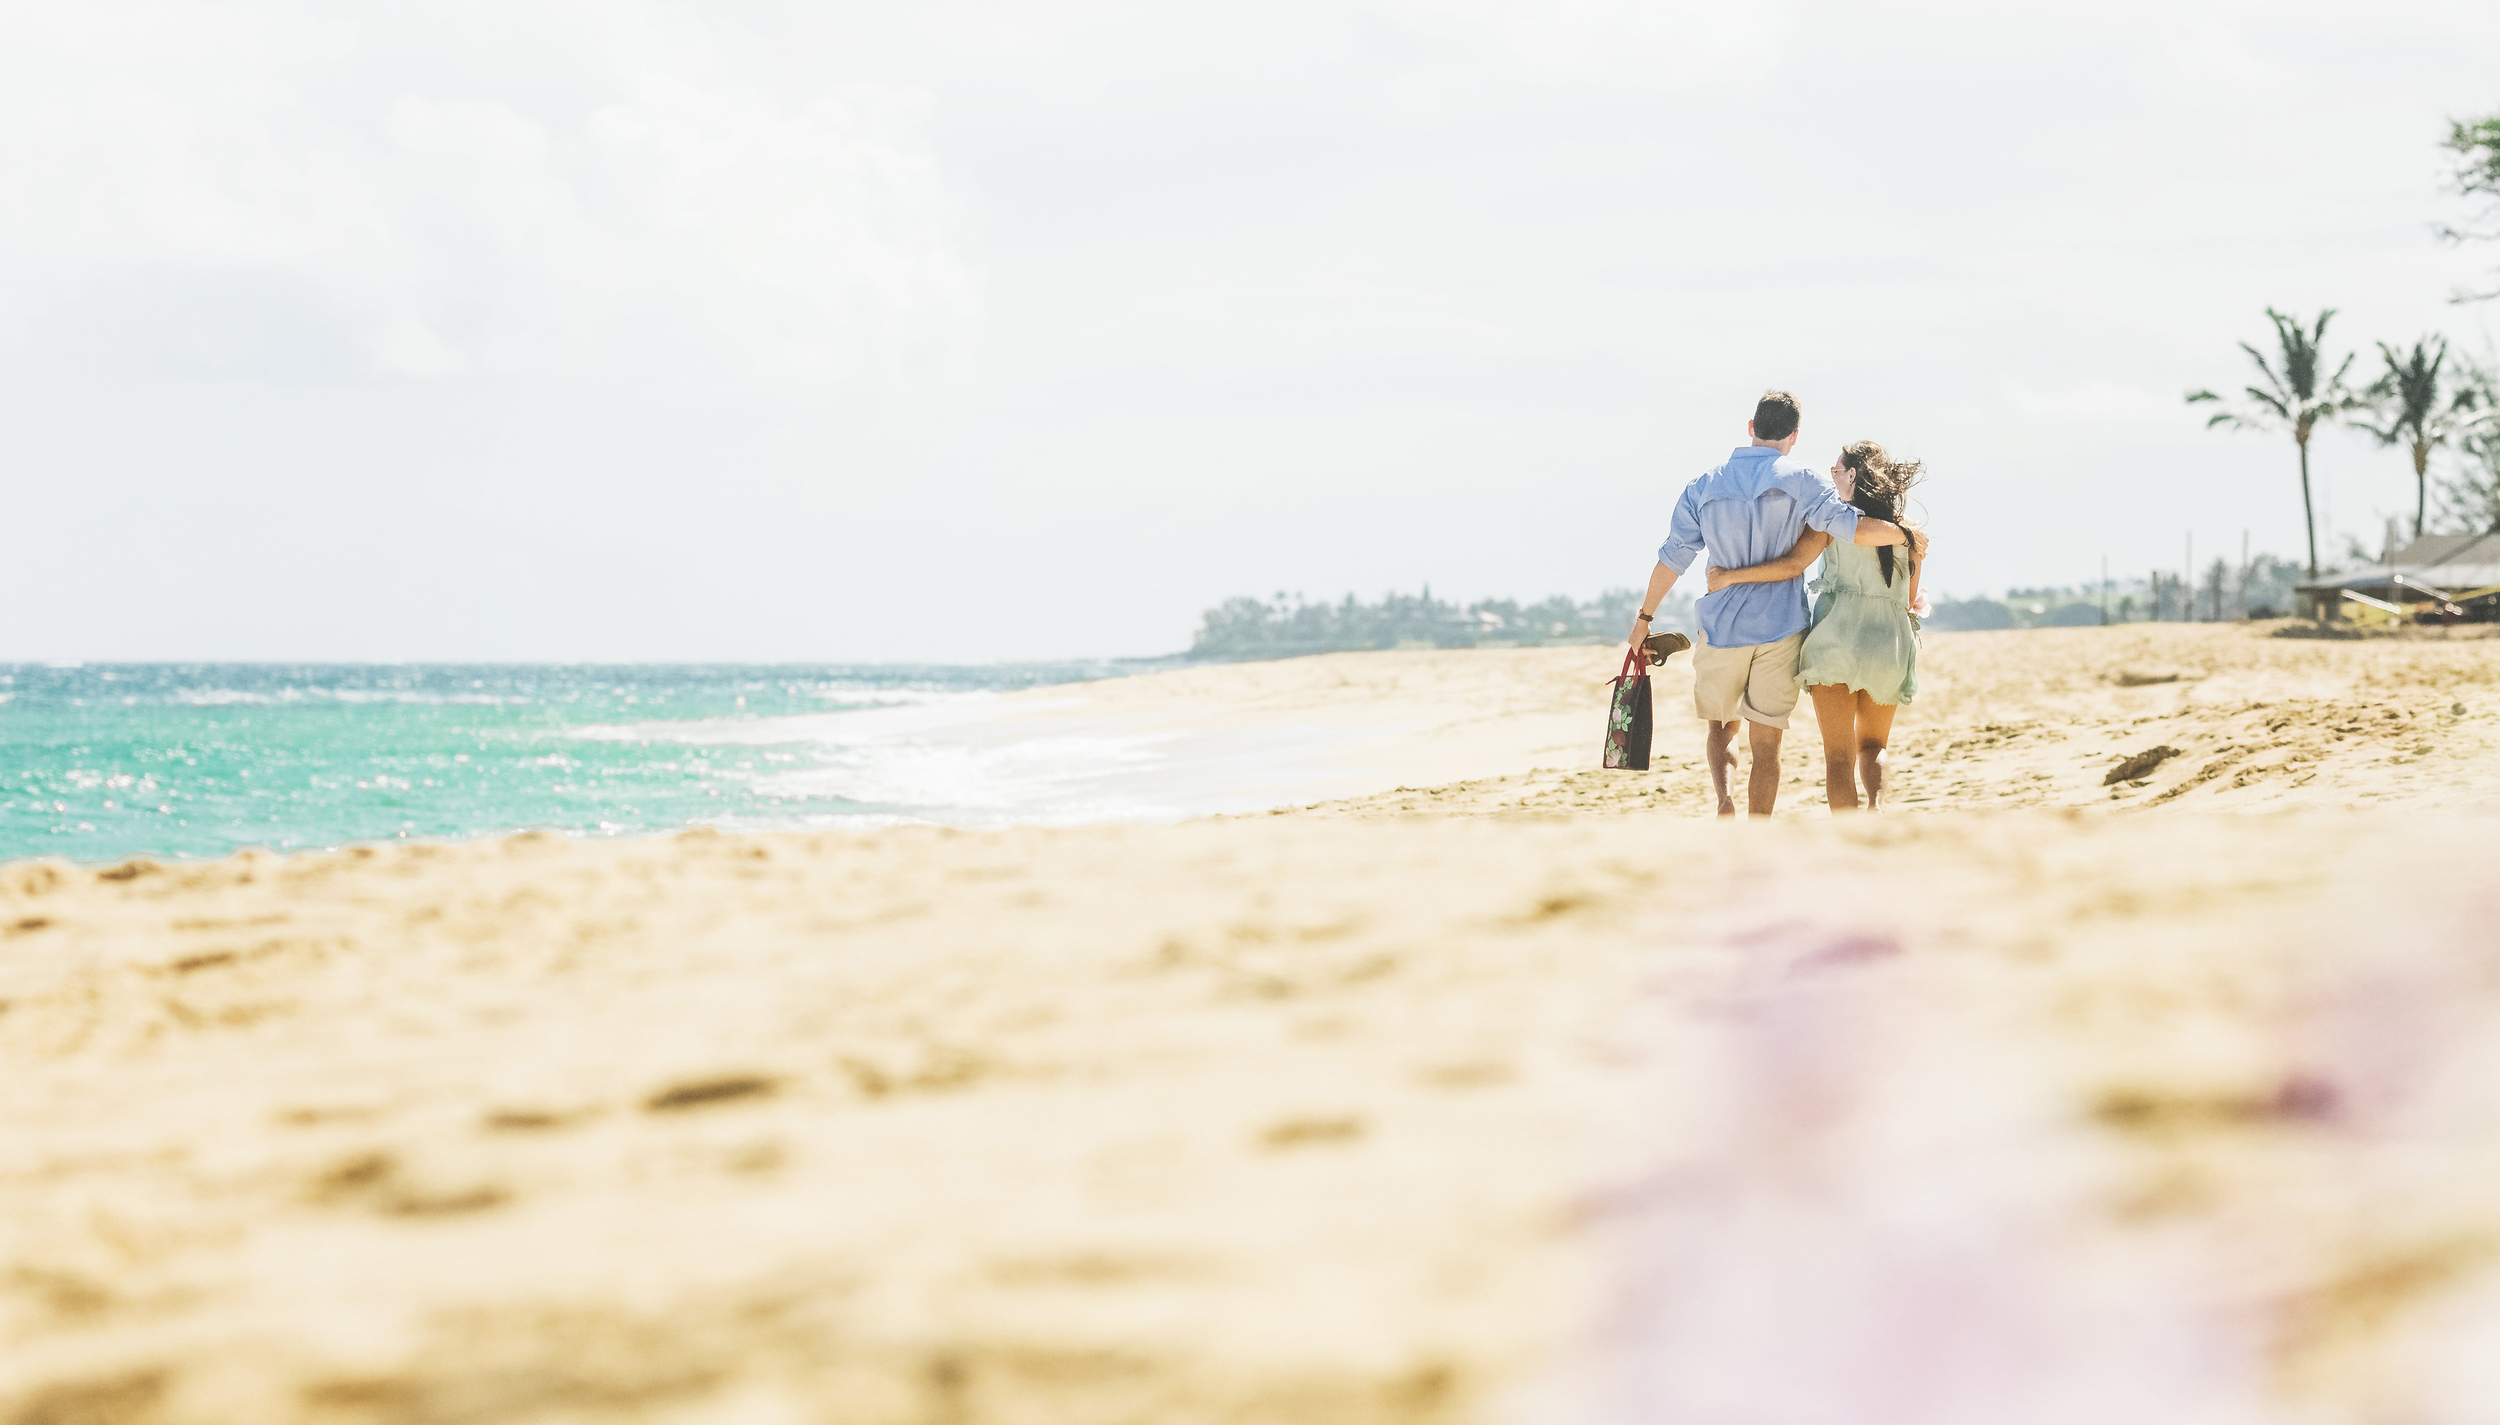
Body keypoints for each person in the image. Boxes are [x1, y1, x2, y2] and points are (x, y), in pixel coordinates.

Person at [1628, 393, 1912, 817]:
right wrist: (1905, 535)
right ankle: (1758, 827)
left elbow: (1673, 558)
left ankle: (1725, 802)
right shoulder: (1806, 481)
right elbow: (1850, 527)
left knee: (1722, 729)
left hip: (1722, 626)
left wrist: (1644, 619)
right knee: (1767, 746)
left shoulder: (1703, 485)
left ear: (1750, 427)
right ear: (1793, 436)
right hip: (1781, 629)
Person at [1705, 441, 1929, 811]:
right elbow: (1908, 598)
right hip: (1887, 644)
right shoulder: (1910, 534)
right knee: (1874, 746)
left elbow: (1792, 565)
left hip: (1835, 641)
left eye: (1836, 472)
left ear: (1852, 476)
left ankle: (1848, 830)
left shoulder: (1830, 522)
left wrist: (1732, 576)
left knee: (1838, 757)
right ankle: (1876, 807)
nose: (1832, 479)